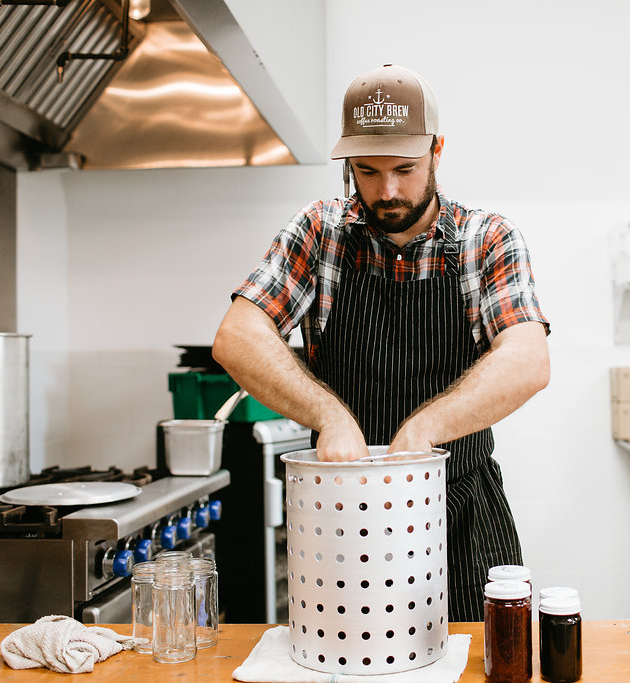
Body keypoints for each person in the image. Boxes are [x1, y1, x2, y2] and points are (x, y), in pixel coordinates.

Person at [212, 64, 550, 620]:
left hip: (462, 513)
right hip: (343, 523)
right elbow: (237, 337)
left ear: (438, 151)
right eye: (366, 171)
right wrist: (329, 414)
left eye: (405, 169)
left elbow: (528, 359)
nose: (387, 191)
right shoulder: (319, 231)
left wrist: (425, 430)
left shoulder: (486, 239)